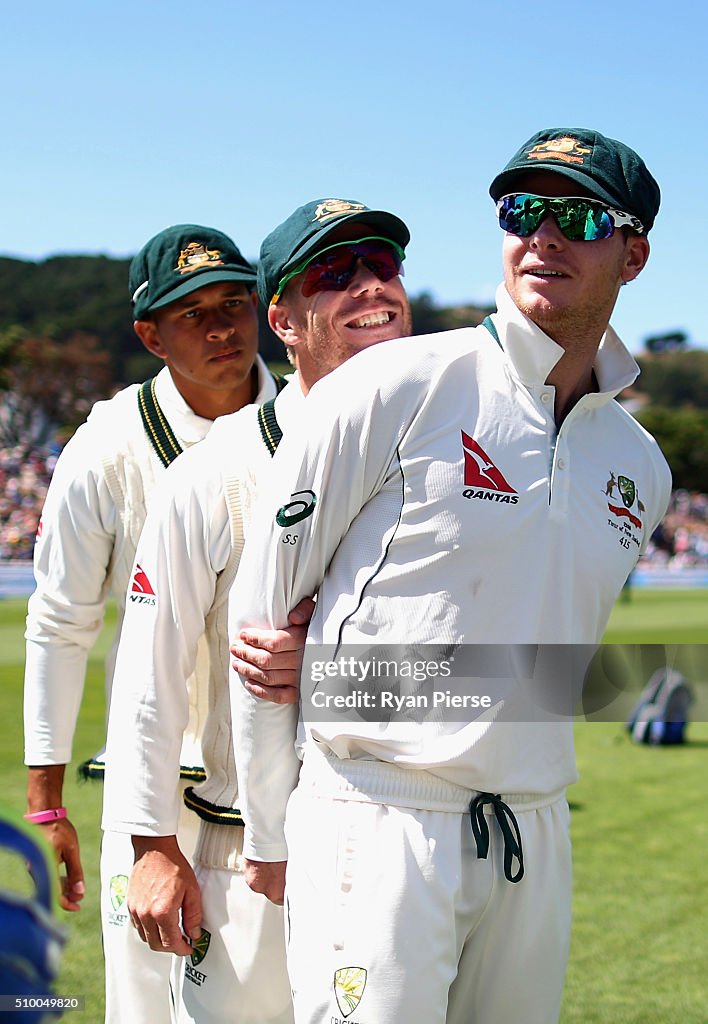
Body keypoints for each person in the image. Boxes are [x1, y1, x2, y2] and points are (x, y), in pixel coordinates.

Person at [228, 128, 673, 1024]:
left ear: (634, 254)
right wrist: (271, 830)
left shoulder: (641, 466)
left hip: (534, 827)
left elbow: (544, 661)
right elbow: (262, 620)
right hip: (378, 816)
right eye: (523, 210)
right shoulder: (398, 383)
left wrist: (343, 666)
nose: (543, 236)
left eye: (578, 216)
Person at [100, 199, 413, 1023]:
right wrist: (151, 846)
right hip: (240, 850)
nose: (370, 286)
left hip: (404, 840)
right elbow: (149, 672)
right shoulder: (213, 472)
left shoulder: (446, 455)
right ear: (282, 317)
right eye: (334, 273)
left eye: (383, 265)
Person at [23, 223, 284, 1024]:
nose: (220, 328)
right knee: (144, 1008)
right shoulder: (106, 448)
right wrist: (47, 803)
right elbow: (63, 621)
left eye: (235, 303)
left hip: (286, 783)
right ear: (149, 333)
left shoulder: (317, 419)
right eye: (191, 312)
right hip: (155, 793)